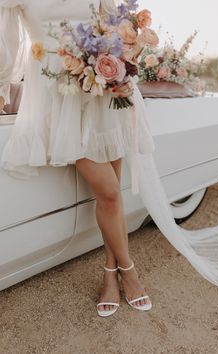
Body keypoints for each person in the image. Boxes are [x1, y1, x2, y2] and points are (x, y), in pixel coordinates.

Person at [0, 0, 155, 317]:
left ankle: (110, 273)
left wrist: (126, 54)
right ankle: (130, 271)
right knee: (109, 192)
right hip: (60, 99)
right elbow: (8, 44)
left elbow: (115, 27)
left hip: (106, 91)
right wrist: (2, 89)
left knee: (111, 195)